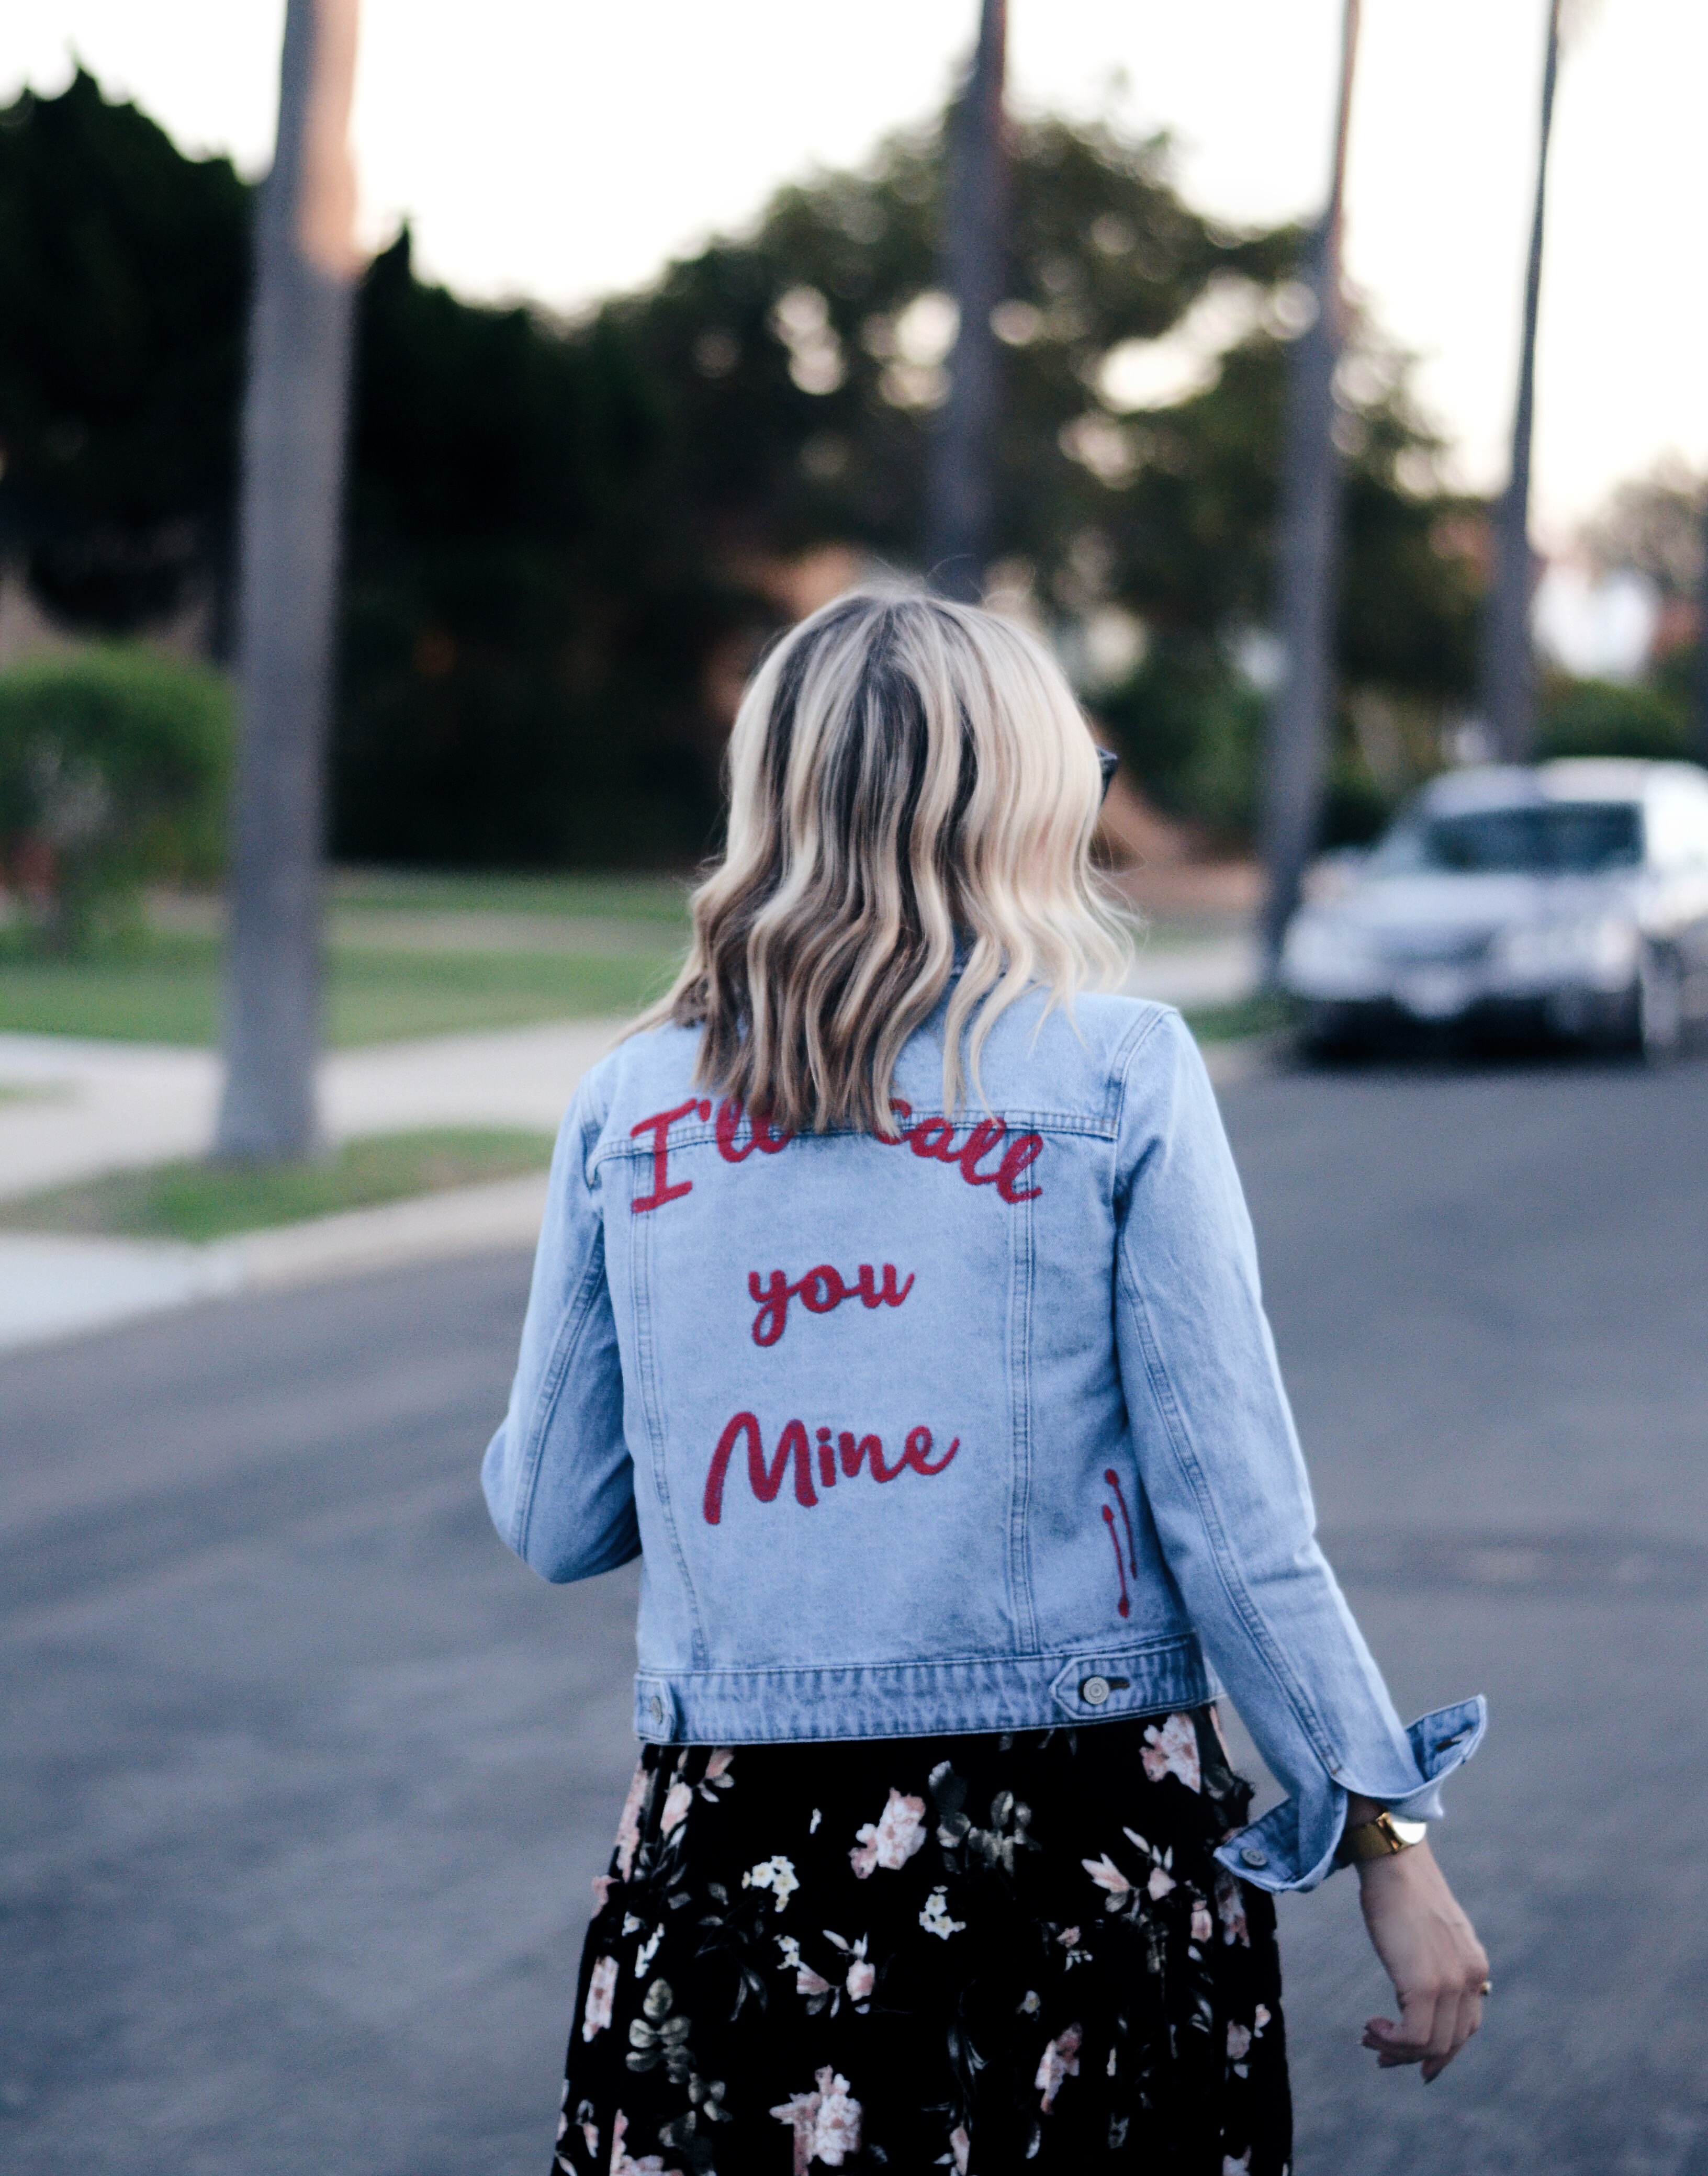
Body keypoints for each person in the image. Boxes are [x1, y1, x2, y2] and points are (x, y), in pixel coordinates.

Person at [484, 588, 1488, 2176]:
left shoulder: (635, 1104)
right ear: (1015, 800)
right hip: (1074, 1858)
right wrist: (1382, 1834)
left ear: (778, 800)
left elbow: (552, 1514)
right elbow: (1232, 1522)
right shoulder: (1118, 1071)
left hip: (734, 1874)